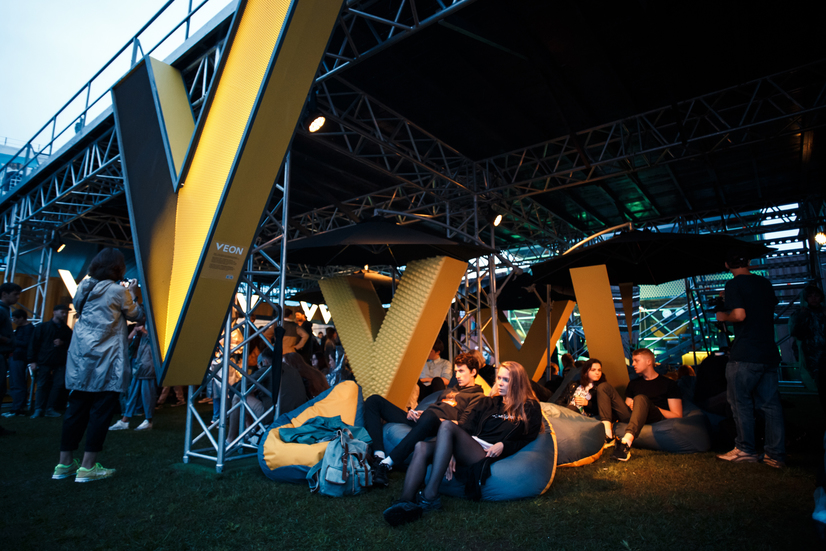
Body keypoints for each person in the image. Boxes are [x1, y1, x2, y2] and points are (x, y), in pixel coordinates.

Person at [382, 361, 541, 526]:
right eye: (499, 378)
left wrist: (504, 445)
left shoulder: (529, 407)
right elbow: (467, 427)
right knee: (421, 447)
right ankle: (405, 502)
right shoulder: (488, 403)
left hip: (486, 451)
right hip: (471, 444)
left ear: (517, 382)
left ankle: (430, 496)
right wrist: (449, 450)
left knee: (446, 425)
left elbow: (528, 437)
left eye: (506, 380)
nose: (500, 383)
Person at [53, 248, 143, 482]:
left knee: (76, 409)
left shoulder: (84, 287)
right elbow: (136, 315)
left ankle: (64, 464)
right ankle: (88, 467)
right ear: (118, 268)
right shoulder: (117, 291)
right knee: (101, 411)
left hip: (82, 356)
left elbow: (81, 309)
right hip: (107, 359)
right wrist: (132, 293)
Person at [366, 352, 484, 487]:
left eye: (461, 371)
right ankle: (379, 455)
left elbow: (463, 424)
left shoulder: (477, 397)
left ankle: (386, 464)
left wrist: (434, 417)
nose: (457, 375)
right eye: (456, 371)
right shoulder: (450, 390)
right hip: (424, 419)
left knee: (430, 416)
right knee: (374, 401)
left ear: (473, 372)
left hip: (439, 426)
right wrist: (417, 413)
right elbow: (436, 407)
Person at [715, 249, 786, 467]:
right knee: (770, 405)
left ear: (727, 265)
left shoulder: (733, 284)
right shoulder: (764, 283)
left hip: (745, 353)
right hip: (768, 351)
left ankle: (745, 449)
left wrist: (723, 315)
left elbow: (739, 315)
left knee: (740, 403)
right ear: (749, 261)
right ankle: (775, 454)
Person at [593, 348, 682, 462]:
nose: (633, 364)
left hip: (653, 416)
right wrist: (632, 407)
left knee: (640, 398)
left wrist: (650, 406)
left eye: (636, 361)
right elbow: (626, 407)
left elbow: (677, 415)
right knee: (603, 387)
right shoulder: (634, 383)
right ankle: (608, 435)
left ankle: (626, 443)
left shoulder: (668, 384)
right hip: (634, 416)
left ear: (649, 361)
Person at [555, 359, 617, 444]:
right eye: (593, 370)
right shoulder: (573, 384)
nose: (597, 373)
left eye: (599, 370)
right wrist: (565, 408)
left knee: (572, 409)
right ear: (585, 372)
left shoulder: (600, 388)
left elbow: (605, 410)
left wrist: (587, 403)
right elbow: (559, 401)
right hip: (567, 411)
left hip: (584, 416)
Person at [28, 304, 73, 418]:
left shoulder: (65, 329)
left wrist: (63, 343)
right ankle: (42, 408)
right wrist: (32, 360)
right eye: (62, 312)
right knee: (44, 385)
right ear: (54, 312)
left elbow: (71, 344)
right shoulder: (44, 327)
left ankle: (46, 408)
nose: (64, 315)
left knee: (54, 385)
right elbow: (34, 344)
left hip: (56, 361)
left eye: (65, 312)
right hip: (47, 360)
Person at [109, 323, 156, 431]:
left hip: (147, 365)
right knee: (132, 393)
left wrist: (144, 332)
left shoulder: (154, 325)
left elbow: (159, 344)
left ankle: (148, 420)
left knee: (147, 394)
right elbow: (128, 341)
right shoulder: (141, 328)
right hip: (139, 364)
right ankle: (125, 420)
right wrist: (136, 332)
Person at [789, 285, 826, 415]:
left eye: (816, 296)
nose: (813, 299)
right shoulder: (800, 314)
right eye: (810, 296)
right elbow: (796, 333)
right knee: (821, 384)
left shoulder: (822, 312)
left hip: (818, 353)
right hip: (813, 355)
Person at [3, 309, 35, 417]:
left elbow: (27, 343)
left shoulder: (29, 329)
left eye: (15, 319)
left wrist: (9, 340)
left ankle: (18, 408)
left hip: (19, 358)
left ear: (21, 318)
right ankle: (16, 407)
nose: (14, 321)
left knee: (17, 383)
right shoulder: (21, 328)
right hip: (15, 357)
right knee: (14, 383)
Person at [0, 282, 22, 435]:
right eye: (15, 294)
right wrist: (8, 341)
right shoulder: (1, 311)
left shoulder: (4, 310)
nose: (18, 297)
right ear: (4, 294)